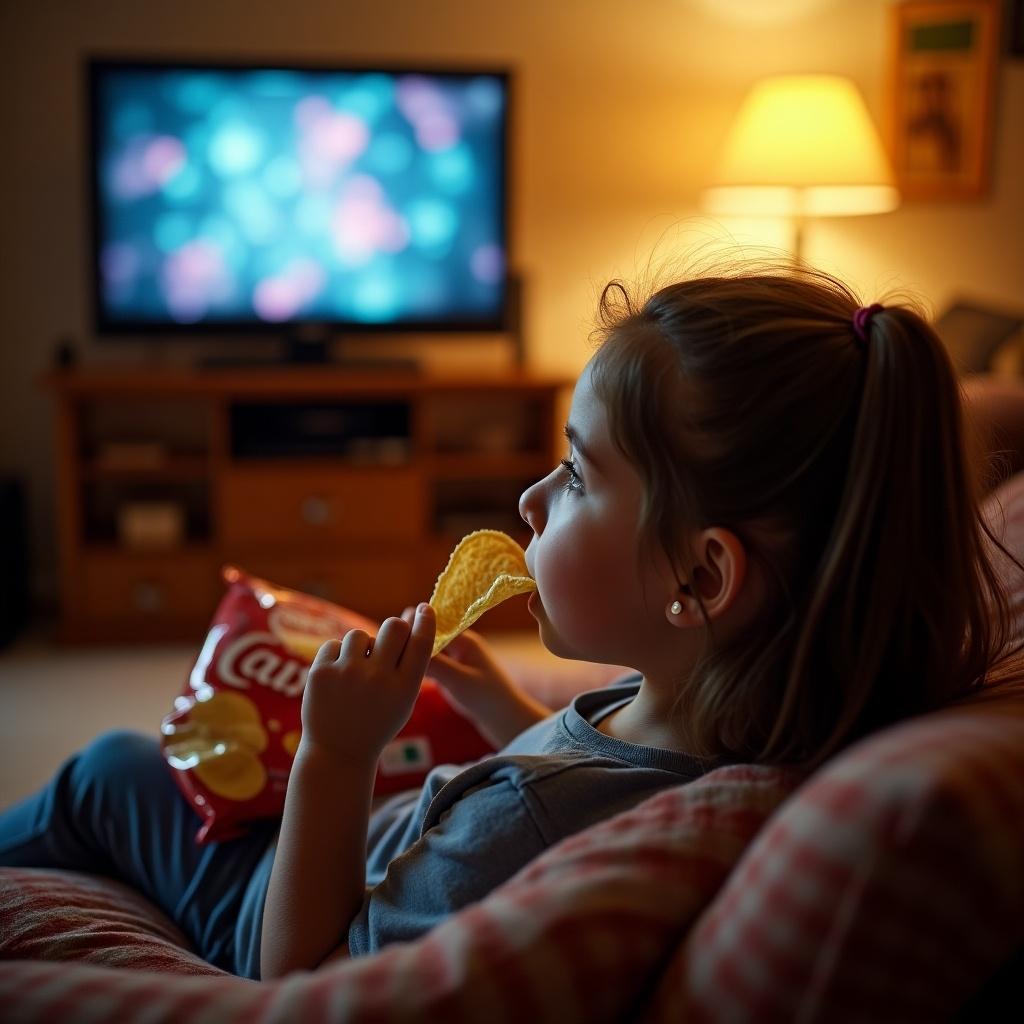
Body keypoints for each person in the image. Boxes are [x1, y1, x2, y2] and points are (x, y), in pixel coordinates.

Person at [3, 261, 1022, 981]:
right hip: (377, 835)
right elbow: (580, 772)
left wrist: (333, 752)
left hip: (280, 900)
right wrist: (500, 708)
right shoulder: (726, 712)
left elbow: (298, 969)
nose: (531, 498)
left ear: (701, 576)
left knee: (110, 768)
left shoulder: (520, 824)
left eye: (577, 473)